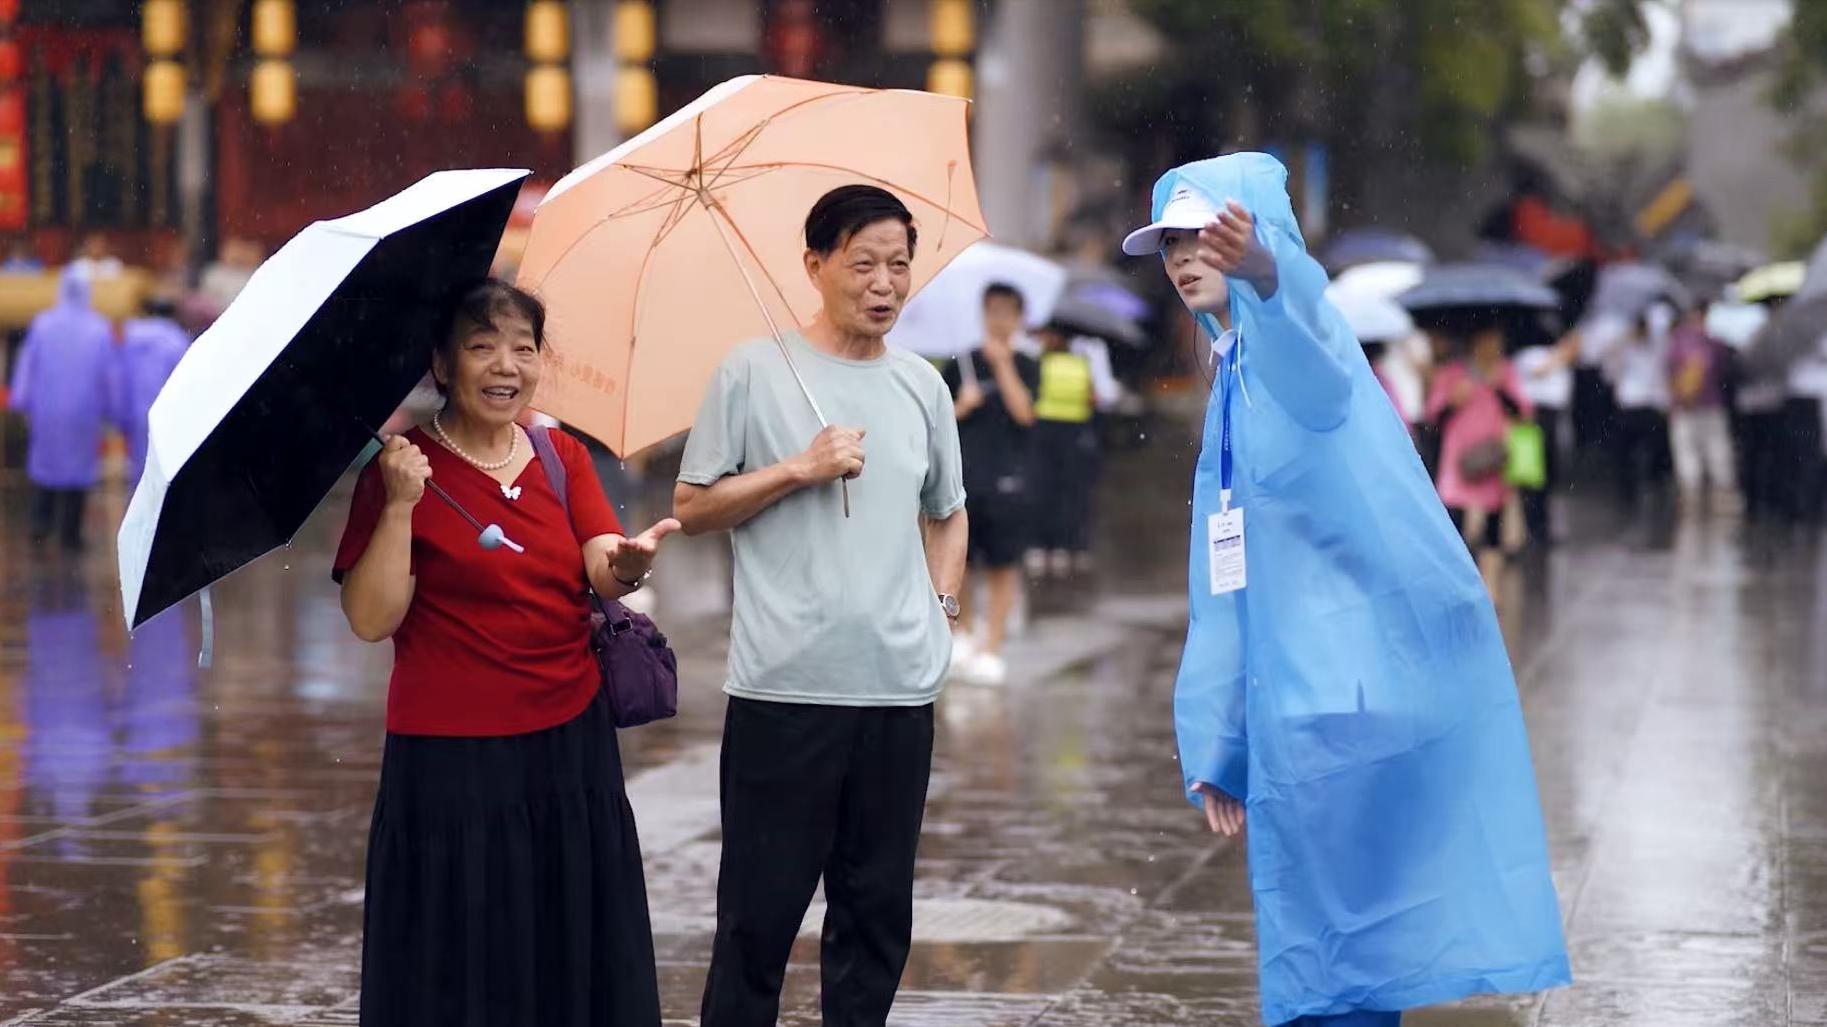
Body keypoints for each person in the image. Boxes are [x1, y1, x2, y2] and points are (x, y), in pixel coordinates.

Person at [1123, 153, 1569, 1027]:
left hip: (1348, 698)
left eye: (1202, 235)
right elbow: (1226, 578)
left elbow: (1314, 361)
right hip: (1298, 701)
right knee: (1326, 947)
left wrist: (1268, 274)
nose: (1181, 258)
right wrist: (1218, 736)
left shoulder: (1293, 347)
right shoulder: (1232, 371)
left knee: (1339, 958)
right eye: (1169, 243)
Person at [333, 280, 678, 1027]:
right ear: (442, 363)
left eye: (524, 348)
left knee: (565, 945)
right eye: (482, 345)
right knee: (463, 951)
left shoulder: (559, 455)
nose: (506, 365)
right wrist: (399, 505)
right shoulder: (401, 470)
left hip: (567, 745)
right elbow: (370, 618)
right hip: (450, 758)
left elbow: (601, 564)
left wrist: (629, 565)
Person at [674, 184, 969, 1027]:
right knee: (757, 918)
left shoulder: (921, 386)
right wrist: (796, 469)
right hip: (784, 688)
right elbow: (692, 507)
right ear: (814, 265)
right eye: (863, 262)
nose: (884, 283)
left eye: (898, 265)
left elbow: (948, 511)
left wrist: (940, 608)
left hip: (896, 692)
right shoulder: (751, 371)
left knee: (875, 919)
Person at [942, 283, 1039, 686]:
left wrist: (1002, 366)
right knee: (959, 562)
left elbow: (1025, 413)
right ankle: (963, 633)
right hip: (964, 478)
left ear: (1019, 318)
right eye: (992, 311)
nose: (998, 319)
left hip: (1008, 480)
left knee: (1002, 565)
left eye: (1006, 312)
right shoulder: (960, 362)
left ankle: (992, 646)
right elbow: (938, 420)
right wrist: (960, 406)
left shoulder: (1028, 363)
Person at [8, 268, 118, 552]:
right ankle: (70, 532)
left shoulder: (43, 324)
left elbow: (27, 365)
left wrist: (21, 400)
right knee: (77, 472)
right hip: (84, 411)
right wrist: (112, 409)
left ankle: (40, 525)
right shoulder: (98, 328)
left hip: (47, 408)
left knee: (46, 467)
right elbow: (109, 375)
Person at [1427, 322, 1532, 580]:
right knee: (1455, 521)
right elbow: (1433, 415)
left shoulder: (1505, 372)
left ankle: (1491, 583)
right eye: (1487, 341)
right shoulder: (1453, 373)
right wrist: (1453, 401)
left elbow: (1523, 411)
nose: (1492, 347)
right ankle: (1461, 577)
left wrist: (1500, 389)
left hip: (1492, 457)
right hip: (1459, 459)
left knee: (1493, 525)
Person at [1029, 323, 1119, 576]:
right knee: (1041, 487)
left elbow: (1106, 394)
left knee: (1073, 490)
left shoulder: (1089, 351)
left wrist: (1095, 393)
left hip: (1075, 431)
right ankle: (1041, 543)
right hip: (1042, 431)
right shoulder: (1034, 352)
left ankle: (1069, 543)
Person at [1665, 305, 1739, 512]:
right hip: (1711, 404)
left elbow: (1667, 370)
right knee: (1717, 451)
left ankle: (1693, 497)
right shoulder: (1715, 342)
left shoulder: (1676, 341)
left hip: (1684, 406)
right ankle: (1721, 496)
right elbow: (1726, 370)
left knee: (1688, 453)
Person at [1605, 303, 1676, 519]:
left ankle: (1655, 489)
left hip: (1650, 406)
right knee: (1626, 455)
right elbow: (1611, 372)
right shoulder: (1624, 348)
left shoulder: (1658, 348)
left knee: (1655, 453)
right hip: (1630, 405)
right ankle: (1629, 494)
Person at [116, 296, 191, 488]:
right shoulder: (177, 340)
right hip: (166, 415)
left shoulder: (130, 338)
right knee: (162, 469)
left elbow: (118, 377)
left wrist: (119, 414)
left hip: (134, 413)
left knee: (137, 466)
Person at [1512, 333, 1577, 545]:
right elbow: (1534, 372)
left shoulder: (1566, 367)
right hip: (1533, 419)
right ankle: (1530, 529)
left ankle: (1543, 527)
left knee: (1549, 476)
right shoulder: (1533, 355)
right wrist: (1559, 357)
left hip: (1553, 420)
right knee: (1530, 478)